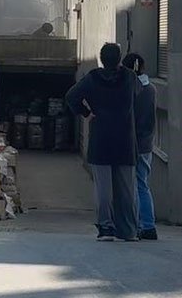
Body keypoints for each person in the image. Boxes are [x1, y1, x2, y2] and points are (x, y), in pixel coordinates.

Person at [65, 43, 139, 241]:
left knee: (103, 189)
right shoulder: (129, 78)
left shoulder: (92, 78)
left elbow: (71, 96)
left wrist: (87, 113)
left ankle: (106, 227)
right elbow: (138, 95)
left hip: (100, 138)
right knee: (127, 189)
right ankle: (128, 230)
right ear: (119, 58)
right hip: (124, 139)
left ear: (101, 58)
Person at [123, 53, 158, 241]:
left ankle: (137, 224)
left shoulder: (128, 90)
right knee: (142, 184)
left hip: (130, 143)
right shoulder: (151, 89)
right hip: (146, 144)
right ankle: (148, 224)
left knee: (130, 186)